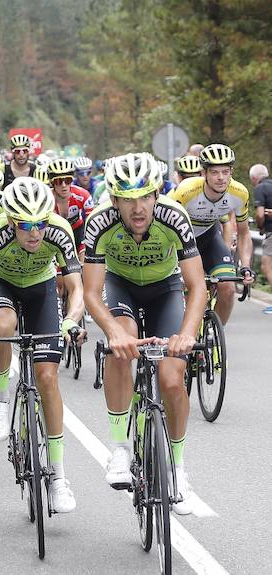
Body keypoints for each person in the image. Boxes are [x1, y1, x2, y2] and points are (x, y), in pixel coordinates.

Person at [82, 152, 206, 515]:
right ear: (115, 200)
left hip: (165, 288)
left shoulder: (174, 218)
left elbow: (196, 286)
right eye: (127, 198)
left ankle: (178, 468)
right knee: (121, 345)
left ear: (156, 194)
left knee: (172, 378)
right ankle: (119, 448)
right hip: (120, 286)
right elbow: (91, 292)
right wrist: (111, 332)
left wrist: (186, 334)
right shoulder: (99, 223)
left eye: (145, 196)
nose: (138, 208)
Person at [0, 177, 85, 513]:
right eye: (26, 225)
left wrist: (72, 319)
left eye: (41, 224)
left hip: (40, 287)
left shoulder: (60, 231)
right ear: (10, 222)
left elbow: (76, 288)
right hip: (2, 284)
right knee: (3, 324)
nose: (35, 232)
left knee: (47, 378)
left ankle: (60, 477)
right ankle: (1, 399)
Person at [167, 144, 254, 325]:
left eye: (225, 171)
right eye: (214, 172)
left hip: (209, 239)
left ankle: (213, 334)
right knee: (183, 288)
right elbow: (167, 230)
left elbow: (244, 233)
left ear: (231, 172)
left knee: (228, 288)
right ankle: (184, 330)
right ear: (203, 174)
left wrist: (245, 266)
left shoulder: (239, 193)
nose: (221, 178)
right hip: (181, 243)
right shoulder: (186, 191)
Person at [251, 164, 272, 286]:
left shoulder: (260, 188)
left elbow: (259, 214)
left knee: (266, 265)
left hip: (271, 231)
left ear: (254, 178)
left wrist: (261, 227)